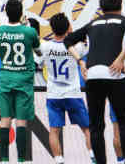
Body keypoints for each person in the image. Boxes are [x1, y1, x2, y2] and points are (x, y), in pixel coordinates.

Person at [65, 0, 125, 164]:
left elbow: (68, 39)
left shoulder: (92, 23)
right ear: (121, 7)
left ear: (101, 8)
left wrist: (80, 62)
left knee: (96, 126)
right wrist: (121, 58)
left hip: (92, 75)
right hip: (115, 75)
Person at [39, 13, 93, 164]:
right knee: (87, 129)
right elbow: (84, 42)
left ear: (52, 28)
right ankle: (93, 156)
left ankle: (58, 160)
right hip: (73, 94)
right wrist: (72, 31)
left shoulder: (45, 46)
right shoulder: (77, 47)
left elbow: (38, 61)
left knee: (54, 130)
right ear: (68, 27)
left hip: (54, 95)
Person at [0, 0, 40, 164]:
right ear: (21, 13)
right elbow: (38, 51)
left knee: (5, 119)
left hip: (6, 78)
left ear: (6, 13)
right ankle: (21, 160)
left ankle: (4, 159)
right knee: (21, 121)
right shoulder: (30, 32)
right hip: (24, 80)